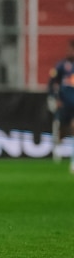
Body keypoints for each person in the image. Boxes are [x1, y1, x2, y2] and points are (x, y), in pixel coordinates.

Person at [47, 38, 74, 171]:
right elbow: (51, 82)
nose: (69, 52)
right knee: (62, 130)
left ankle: (73, 161)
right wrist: (54, 98)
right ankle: (57, 148)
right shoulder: (62, 66)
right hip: (65, 103)